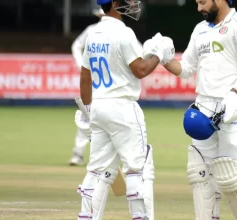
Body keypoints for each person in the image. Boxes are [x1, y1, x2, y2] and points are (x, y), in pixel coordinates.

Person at [159, 0, 237, 218]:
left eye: (203, 2)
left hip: (232, 105)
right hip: (204, 106)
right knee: (200, 174)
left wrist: (234, 93)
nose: (199, 8)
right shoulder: (200, 29)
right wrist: (164, 59)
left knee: (230, 174)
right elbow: (186, 68)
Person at [76, 0, 174, 219]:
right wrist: (158, 54)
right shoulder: (124, 32)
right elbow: (140, 69)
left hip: (99, 106)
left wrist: (88, 110)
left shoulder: (94, 34)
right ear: (114, 4)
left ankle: (86, 216)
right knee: (138, 169)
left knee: (96, 170)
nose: (132, 3)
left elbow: (85, 75)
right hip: (123, 107)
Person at [69, 8, 105, 166]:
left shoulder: (123, 32)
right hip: (93, 82)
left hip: (112, 84)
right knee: (86, 115)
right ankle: (78, 153)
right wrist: (81, 65)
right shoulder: (92, 30)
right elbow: (76, 46)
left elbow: (138, 52)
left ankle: (110, 156)